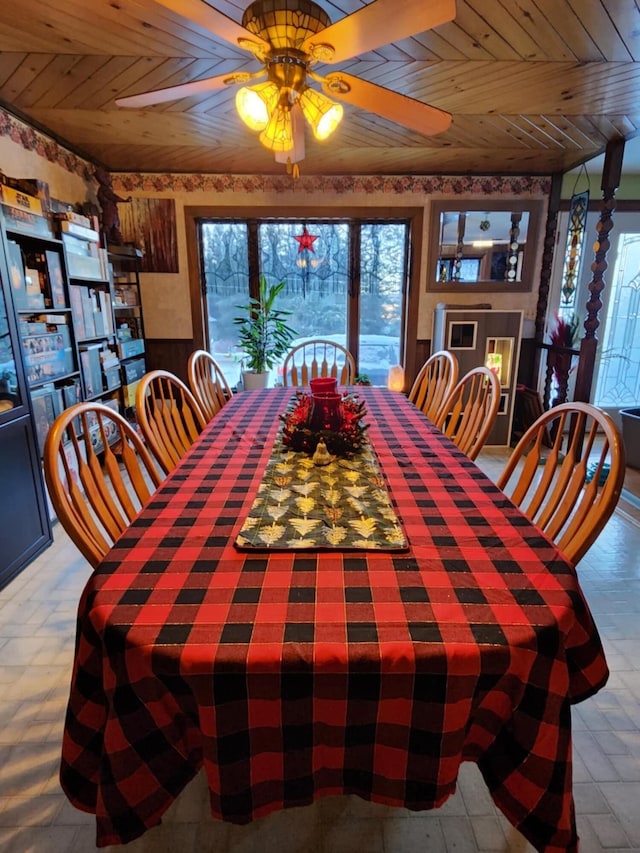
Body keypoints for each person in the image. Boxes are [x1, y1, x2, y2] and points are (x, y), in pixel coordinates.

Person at [94, 168, 130, 244]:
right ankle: (103, 242)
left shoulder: (105, 189)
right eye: (107, 178)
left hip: (112, 212)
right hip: (109, 212)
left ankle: (118, 244)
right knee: (107, 228)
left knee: (114, 229)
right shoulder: (104, 189)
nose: (109, 180)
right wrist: (124, 200)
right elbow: (112, 197)